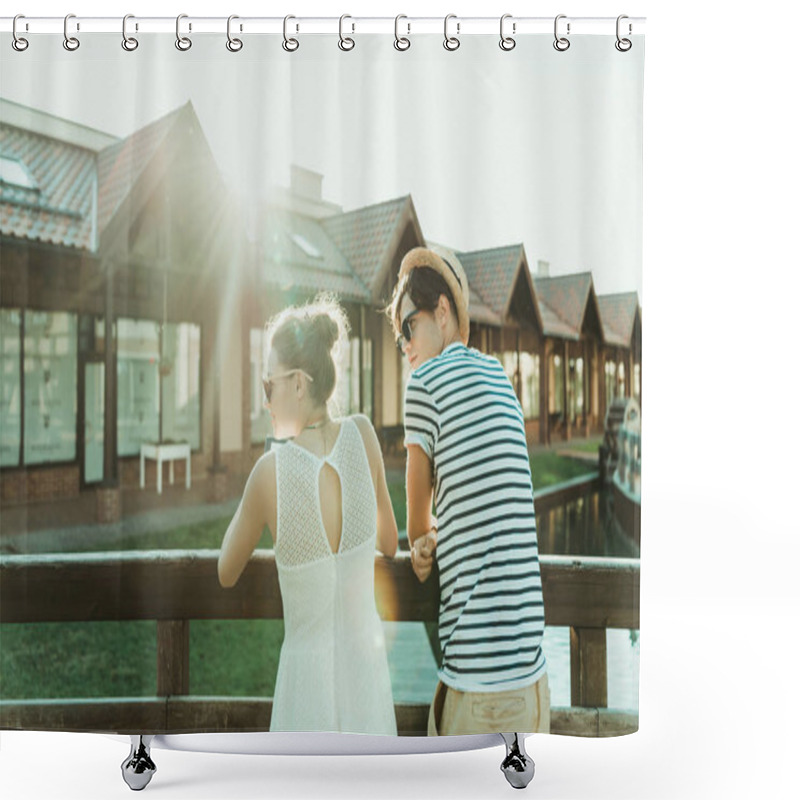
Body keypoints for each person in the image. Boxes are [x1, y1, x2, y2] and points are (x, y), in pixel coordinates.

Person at [386, 246, 549, 737]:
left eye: (408, 328)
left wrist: (422, 543)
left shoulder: (424, 384)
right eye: (398, 340)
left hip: (480, 685)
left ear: (441, 312)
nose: (405, 348)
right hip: (535, 680)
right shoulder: (500, 377)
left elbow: (416, 522)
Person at [218, 293, 398, 735]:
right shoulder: (364, 436)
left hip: (306, 692)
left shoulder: (268, 473)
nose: (266, 401)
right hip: (367, 682)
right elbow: (390, 542)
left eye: (268, 386)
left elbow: (225, 570)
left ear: (299, 384)